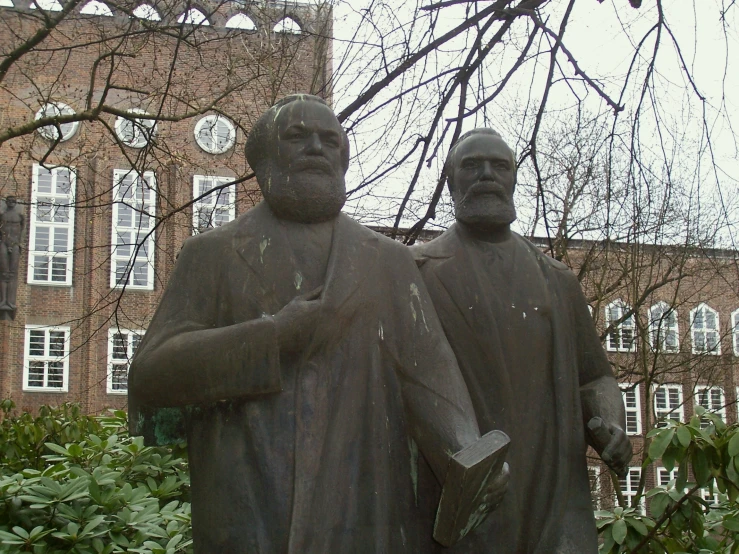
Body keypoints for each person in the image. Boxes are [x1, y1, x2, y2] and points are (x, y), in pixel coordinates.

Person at [128, 96, 507, 554]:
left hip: (365, 513)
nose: (316, 148)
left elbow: (431, 376)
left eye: (330, 140)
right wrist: (270, 337)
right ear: (265, 155)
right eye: (297, 136)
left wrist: (469, 458)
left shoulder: (389, 262)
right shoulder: (211, 254)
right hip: (249, 511)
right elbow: (150, 378)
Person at [412, 128, 632, 553]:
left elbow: (593, 378)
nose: (486, 175)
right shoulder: (415, 271)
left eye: (500, 166)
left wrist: (612, 424)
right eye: (471, 166)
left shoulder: (557, 280)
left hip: (551, 491)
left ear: (514, 179)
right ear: (451, 181)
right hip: (458, 491)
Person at [0, 195, 25, 313]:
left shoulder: (19, 216)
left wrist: (20, 243)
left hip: (15, 243)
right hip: (3, 243)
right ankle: (3, 299)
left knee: (12, 273)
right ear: (6, 202)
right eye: (9, 201)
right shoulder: (2, 215)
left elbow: (23, 229)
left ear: (15, 203)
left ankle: (10, 301)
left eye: (13, 201)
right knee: (4, 272)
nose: (11, 203)